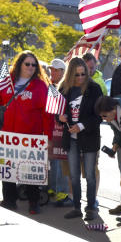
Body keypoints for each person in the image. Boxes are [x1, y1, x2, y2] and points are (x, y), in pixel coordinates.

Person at [0, 51, 53, 214]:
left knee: (30, 172)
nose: (31, 67)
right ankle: (9, 201)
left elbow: (47, 114)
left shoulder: (40, 86)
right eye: (27, 64)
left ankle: (33, 203)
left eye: (33, 65)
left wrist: (48, 138)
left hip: (31, 137)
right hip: (7, 136)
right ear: (19, 64)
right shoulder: (6, 83)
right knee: (7, 171)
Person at [58, 56, 104, 220]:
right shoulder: (64, 88)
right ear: (70, 74)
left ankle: (91, 207)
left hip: (89, 137)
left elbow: (99, 116)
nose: (80, 78)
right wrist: (61, 117)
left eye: (83, 74)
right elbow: (59, 112)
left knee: (90, 175)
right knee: (74, 175)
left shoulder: (94, 88)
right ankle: (76, 207)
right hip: (71, 138)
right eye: (77, 75)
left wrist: (82, 125)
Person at [95, 95, 121, 222]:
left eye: (104, 116)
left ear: (113, 109)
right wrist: (115, 145)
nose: (104, 119)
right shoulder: (113, 114)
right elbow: (119, 133)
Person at [46, 59, 72, 206]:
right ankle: (51, 188)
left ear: (63, 72)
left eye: (56, 70)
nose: (53, 72)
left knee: (61, 161)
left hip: (63, 131)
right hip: (50, 129)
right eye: (52, 70)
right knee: (51, 160)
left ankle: (62, 192)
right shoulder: (49, 86)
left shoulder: (67, 88)